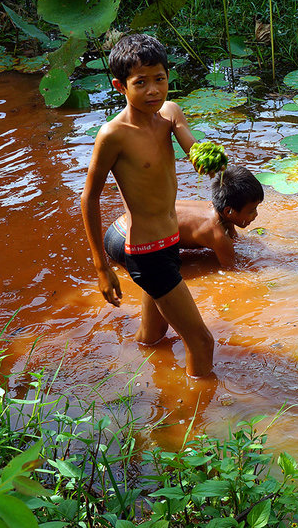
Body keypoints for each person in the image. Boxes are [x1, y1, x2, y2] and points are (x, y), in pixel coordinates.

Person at [81, 33, 214, 378]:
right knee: (201, 342)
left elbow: (193, 150)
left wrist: (208, 158)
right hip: (146, 252)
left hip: (171, 243)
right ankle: (199, 420)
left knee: (153, 337)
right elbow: (89, 198)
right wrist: (101, 268)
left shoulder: (169, 113)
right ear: (119, 86)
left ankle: (127, 373)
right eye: (141, 83)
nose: (153, 90)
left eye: (160, 79)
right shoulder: (113, 135)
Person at [104, 166, 263, 268]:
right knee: (172, 274)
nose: (255, 215)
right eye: (251, 210)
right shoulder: (218, 235)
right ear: (229, 211)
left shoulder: (218, 210)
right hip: (128, 244)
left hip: (118, 227)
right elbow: (232, 270)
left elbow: (234, 238)